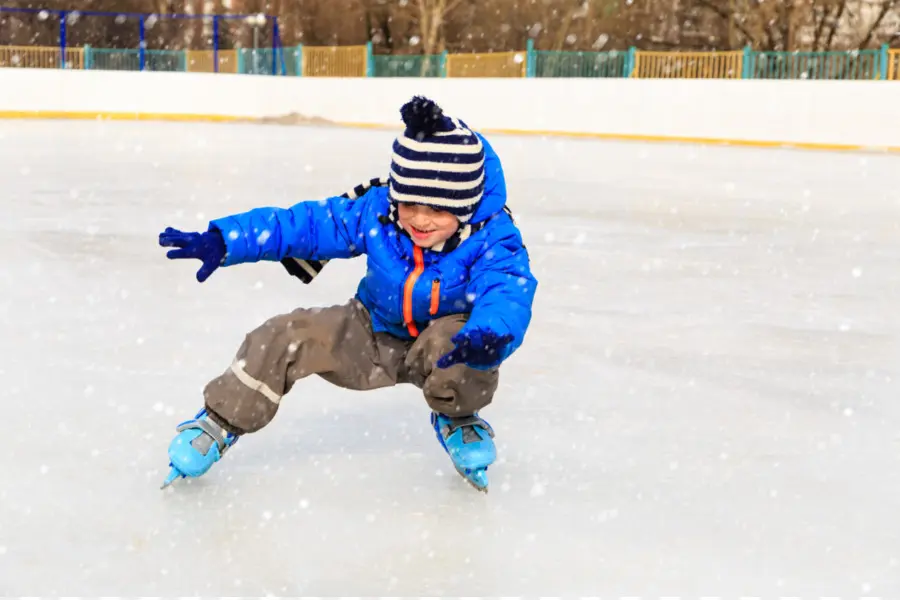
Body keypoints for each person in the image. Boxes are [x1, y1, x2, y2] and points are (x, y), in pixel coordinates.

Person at [158, 96, 537, 492]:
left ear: (465, 205)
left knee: (463, 345)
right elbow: (306, 224)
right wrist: (227, 240)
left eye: (438, 209)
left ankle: (457, 415)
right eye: (409, 202)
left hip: (442, 341)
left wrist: (490, 334)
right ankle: (221, 420)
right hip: (371, 329)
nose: (420, 220)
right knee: (283, 334)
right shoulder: (378, 211)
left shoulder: (493, 237)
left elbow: (507, 291)